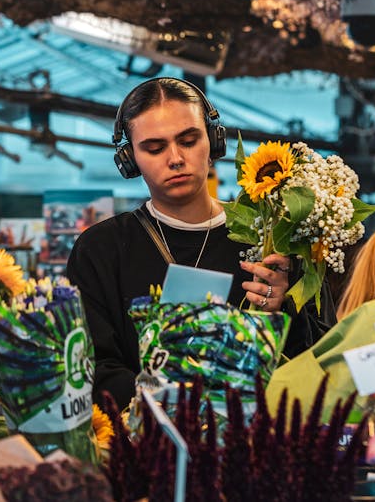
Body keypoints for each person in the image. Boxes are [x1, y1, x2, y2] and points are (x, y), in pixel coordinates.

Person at [66, 77, 291, 407]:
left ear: (214, 143)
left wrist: (282, 312)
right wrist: (173, 403)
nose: (175, 158)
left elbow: (315, 355)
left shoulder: (269, 237)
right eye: (154, 148)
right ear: (129, 160)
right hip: (142, 443)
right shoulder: (100, 249)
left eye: (188, 140)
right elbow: (88, 368)